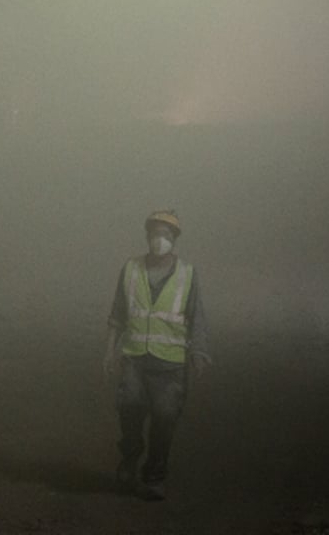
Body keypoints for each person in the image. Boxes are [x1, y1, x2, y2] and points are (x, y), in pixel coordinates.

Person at [102, 209, 211, 501]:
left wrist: (199, 351)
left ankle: (154, 477)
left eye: (166, 235)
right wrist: (110, 351)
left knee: (164, 420)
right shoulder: (131, 269)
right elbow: (117, 314)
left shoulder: (188, 273)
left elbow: (196, 315)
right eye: (155, 233)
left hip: (170, 363)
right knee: (129, 412)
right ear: (147, 236)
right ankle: (129, 461)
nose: (159, 240)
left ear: (174, 239)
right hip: (135, 357)